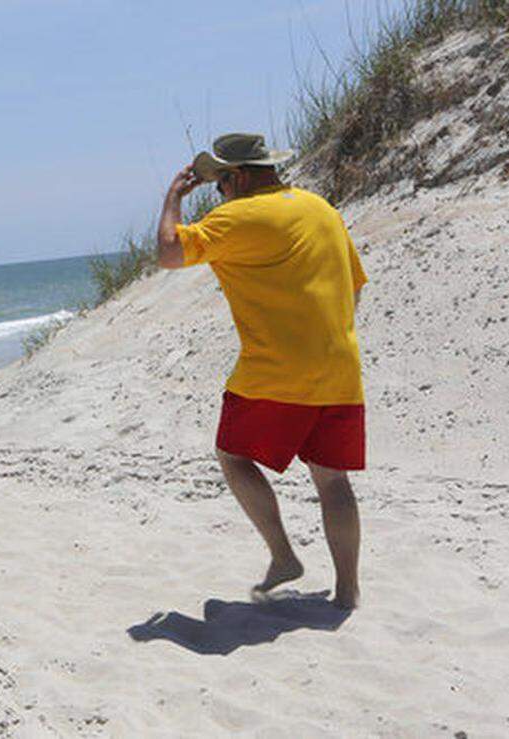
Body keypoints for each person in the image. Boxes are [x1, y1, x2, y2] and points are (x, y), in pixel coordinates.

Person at [156, 133, 368, 610]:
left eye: (219, 185)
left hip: (276, 372)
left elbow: (169, 252)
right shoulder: (322, 210)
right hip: (339, 365)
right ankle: (347, 591)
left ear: (238, 178)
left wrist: (173, 198)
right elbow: (355, 287)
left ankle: (283, 556)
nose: (219, 195)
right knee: (333, 480)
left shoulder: (237, 216)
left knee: (232, 456)